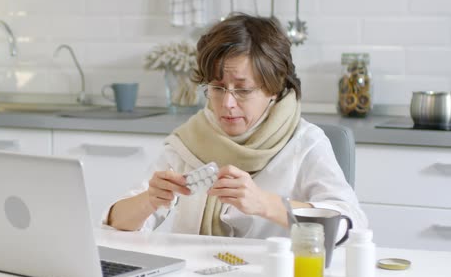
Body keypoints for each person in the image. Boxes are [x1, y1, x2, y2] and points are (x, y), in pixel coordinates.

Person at [104, 13, 367, 238]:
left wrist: (266, 204)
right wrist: (148, 201)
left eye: (243, 90)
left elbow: (351, 225)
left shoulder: (305, 143)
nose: (227, 103)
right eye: (217, 88)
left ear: (273, 89)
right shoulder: (190, 141)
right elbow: (115, 224)